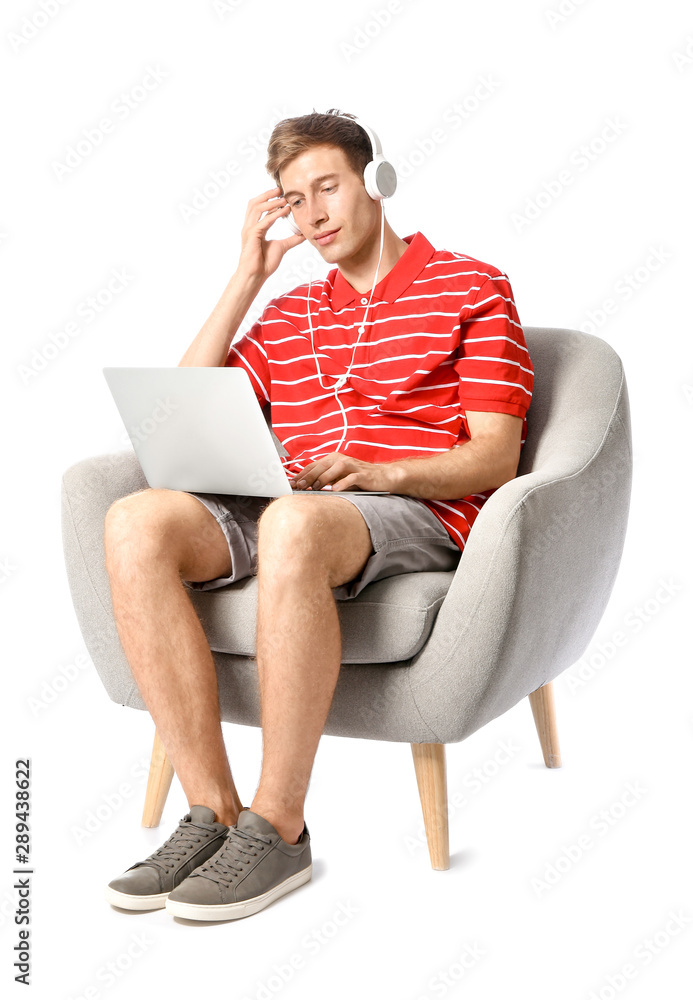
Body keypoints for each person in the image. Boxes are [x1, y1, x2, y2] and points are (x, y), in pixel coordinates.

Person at [103, 109, 533, 922]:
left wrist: (382, 471)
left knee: (294, 524)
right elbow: (182, 412)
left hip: (410, 505)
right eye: (293, 200)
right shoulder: (293, 312)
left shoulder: (471, 286)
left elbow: (494, 455)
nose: (312, 214)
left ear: (375, 182)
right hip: (289, 500)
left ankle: (279, 827)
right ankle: (213, 816)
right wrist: (246, 276)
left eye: (327, 188)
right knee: (135, 522)